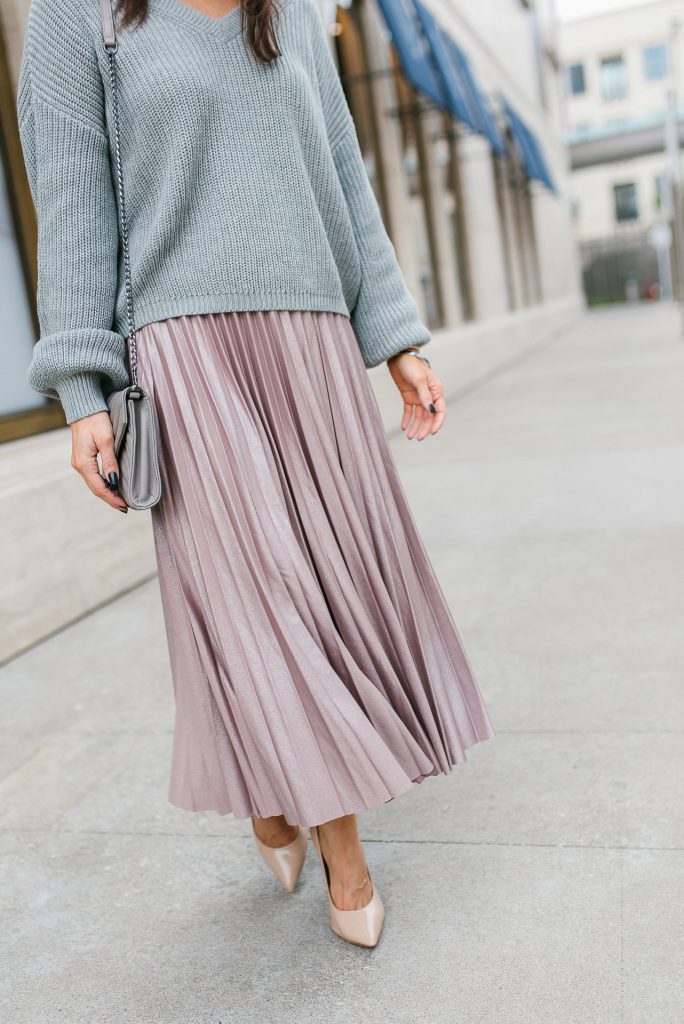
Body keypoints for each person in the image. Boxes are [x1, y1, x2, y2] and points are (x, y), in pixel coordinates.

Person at [17, 0, 495, 948]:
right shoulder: (78, 14)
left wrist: (396, 340)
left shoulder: (294, 10)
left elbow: (344, 183)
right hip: (186, 356)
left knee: (328, 591)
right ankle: (344, 853)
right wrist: (81, 389)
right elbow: (71, 198)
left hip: (312, 341)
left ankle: (275, 796)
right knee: (263, 595)